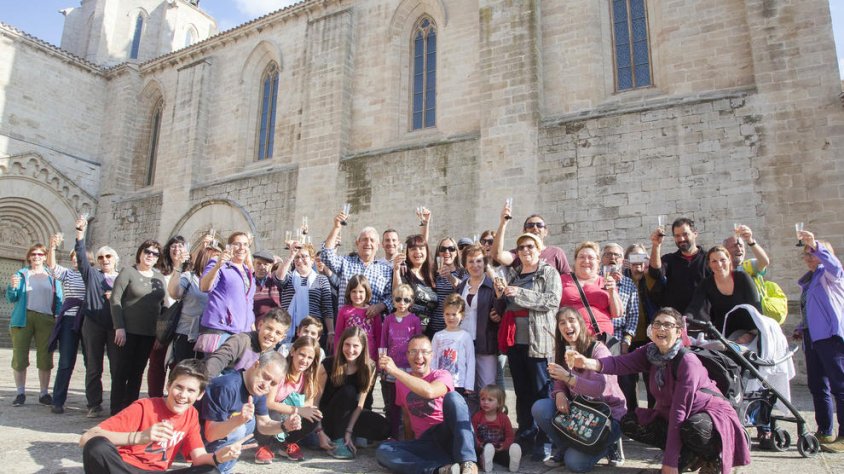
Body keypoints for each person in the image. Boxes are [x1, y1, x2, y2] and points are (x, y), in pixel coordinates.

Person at [568, 307, 750, 473]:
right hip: (673, 415)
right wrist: (587, 363)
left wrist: (669, 463)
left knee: (694, 427)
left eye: (668, 325)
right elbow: (619, 363)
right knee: (630, 422)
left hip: (707, 416)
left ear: (679, 332)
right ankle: (688, 456)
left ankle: (712, 457)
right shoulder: (650, 352)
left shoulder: (688, 362)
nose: (661, 328)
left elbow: (680, 412)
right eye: (657, 323)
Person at [80, 359, 235, 474]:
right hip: (124, 469)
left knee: (210, 471)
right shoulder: (144, 407)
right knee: (97, 446)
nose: (183, 395)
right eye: (179, 387)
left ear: (200, 395)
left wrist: (217, 457)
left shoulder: (191, 414)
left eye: (191, 391)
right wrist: (139, 437)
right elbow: (87, 438)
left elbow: (199, 457)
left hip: (156, 471)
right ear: (168, 386)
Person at [532, 307, 626, 471]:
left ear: (581, 324)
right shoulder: (565, 350)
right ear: (559, 329)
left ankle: (608, 445)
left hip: (606, 415)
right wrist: (559, 393)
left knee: (574, 464)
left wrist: (569, 378)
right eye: (562, 323)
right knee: (540, 408)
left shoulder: (598, 350)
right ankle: (567, 447)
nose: (567, 325)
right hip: (580, 412)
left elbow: (599, 388)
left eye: (571, 320)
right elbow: (560, 381)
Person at [493, 232, 561, 455]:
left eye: (530, 246)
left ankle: (546, 440)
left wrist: (520, 293)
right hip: (515, 342)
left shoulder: (548, 272)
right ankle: (525, 435)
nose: (525, 250)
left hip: (539, 341)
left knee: (542, 392)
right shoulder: (513, 274)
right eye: (521, 247)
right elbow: (507, 306)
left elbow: (552, 300)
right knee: (522, 392)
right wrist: (501, 295)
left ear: (539, 249)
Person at [375, 334, 479, 473]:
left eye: (424, 352)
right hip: (426, 443)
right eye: (413, 351)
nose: (419, 356)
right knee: (384, 449)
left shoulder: (443, 375)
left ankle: (468, 463)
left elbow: (430, 392)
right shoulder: (401, 382)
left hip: (449, 436)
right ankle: (440, 470)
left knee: (454, 397)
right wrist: (408, 446)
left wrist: (395, 371)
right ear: (407, 355)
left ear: (432, 355)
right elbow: (407, 419)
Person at [201, 350, 301, 473]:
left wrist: (285, 426)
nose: (266, 385)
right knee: (241, 427)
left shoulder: (257, 390)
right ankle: (215, 469)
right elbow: (210, 434)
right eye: (266, 377)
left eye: (273, 383)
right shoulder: (227, 387)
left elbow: (264, 424)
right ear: (256, 365)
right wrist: (238, 421)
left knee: (249, 422)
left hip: (216, 435)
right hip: (197, 441)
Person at [794, 230, 844, 452]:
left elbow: (836, 268)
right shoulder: (811, 280)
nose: (808, 257)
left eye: (812, 253)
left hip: (830, 338)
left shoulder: (829, 274)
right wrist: (800, 327)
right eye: (806, 253)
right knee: (817, 386)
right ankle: (824, 430)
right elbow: (812, 311)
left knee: (840, 386)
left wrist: (815, 244)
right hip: (812, 338)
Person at [314, 327, 390, 459]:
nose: (350, 350)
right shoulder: (328, 364)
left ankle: (345, 435)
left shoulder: (369, 366)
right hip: (328, 415)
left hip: (350, 414)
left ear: (363, 347)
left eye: (355, 346)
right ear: (341, 344)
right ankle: (337, 440)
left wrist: (348, 431)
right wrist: (319, 431)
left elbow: (360, 405)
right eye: (347, 344)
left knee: (384, 428)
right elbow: (315, 401)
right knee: (348, 391)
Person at [109, 240, 166, 415]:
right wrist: (119, 327)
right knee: (121, 372)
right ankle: (115, 411)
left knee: (137, 372)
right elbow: (115, 299)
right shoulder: (128, 272)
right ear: (140, 252)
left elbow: (163, 307)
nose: (150, 256)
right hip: (127, 332)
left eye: (155, 254)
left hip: (148, 334)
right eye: (147, 251)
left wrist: (160, 335)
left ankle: (129, 411)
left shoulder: (159, 278)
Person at [73, 217, 120, 418]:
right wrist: (80, 234)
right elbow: (82, 259)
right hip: (93, 323)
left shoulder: (123, 277)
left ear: (115, 259)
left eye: (108, 256)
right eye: (101, 257)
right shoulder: (92, 275)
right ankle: (94, 404)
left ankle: (118, 404)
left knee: (117, 366)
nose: (104, 260)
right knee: (93, 366)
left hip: (116, 326)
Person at [7, 242, 63, 407]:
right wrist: (13, 287)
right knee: (19, 357)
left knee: (45, 356)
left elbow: (59, 299)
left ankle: (44, 393)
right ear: (29, 257)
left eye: (40, 254)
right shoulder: (21, 274)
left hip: (46, 319)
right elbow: (12, 298)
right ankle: (20, 393)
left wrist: (58, 317)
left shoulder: (52, 275)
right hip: (23, 318)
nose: (36, 257)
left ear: (45, 257)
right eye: (33, 254)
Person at [255, 336, 322, 463]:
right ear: (292, 351)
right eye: (302, 355)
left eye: (310, 358)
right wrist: (298, 410)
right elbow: (269, 403)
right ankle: (264, 445)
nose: (304, 360)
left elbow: (308, 404)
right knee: (272, 413)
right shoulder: (281, 371)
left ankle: (287, 443)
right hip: (268, 413)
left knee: (314, 416)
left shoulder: (308, 376)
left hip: (287, 414)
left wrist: (298, 414)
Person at [320, 211, 393, 319]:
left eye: (372, 240)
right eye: (364, 239)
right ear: (357, 243)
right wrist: (336, 227)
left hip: (372, 323)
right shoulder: (345, 262)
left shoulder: (386, 270)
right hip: (346, 322)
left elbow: (392, 297)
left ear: (378, 246)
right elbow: (326, 255)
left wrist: (381, 306)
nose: (368, 243)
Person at [46, 232, 88, 414]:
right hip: (69, 319)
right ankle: (57, 400)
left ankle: (93, 402)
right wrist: (52, 247)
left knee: (91, 362)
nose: (75, 260)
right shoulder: (67, 274)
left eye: (79, 257)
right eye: (73, 258)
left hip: (87, 319)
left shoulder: (91, 275)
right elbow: (52, 266)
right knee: (66, 361)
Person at [197, 232, 256, 353]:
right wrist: (218, 266)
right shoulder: (218, 263)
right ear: (229, 247)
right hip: (220, 330)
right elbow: (204, 287)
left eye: (245, 244)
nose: (241, 248)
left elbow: (249, 304)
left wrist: (253, 333)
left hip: (242, 333)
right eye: (237, 244)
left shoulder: (247, 271)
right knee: (215, 365)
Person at [618, 244, 660, 413]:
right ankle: (631, 417)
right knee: (627, 383)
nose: (638, 263)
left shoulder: (650, 278)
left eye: (641, 258)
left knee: (652, 381)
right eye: (633, 259)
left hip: (650, 338)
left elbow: (662, 286)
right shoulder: (621, 279)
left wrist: (650, 267)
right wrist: (623, 270)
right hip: (627, 339)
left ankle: (652, 416)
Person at [685, 245, 761, 332]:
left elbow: (756, 307)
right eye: (714, 261)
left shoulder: (742, 277)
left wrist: (752, 332)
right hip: (723, 332)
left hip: (750, 330)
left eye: (722, 260)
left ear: (729, 260)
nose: (719, 264)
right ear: (709, 264)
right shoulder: (706, 283)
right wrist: (684, 320)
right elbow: (695, 306)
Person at [380, 284, 423, 438]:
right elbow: (383, 342)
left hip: (409, 368)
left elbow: (418, 344)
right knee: (392, 403)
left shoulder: (414, 320)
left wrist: (418, 366)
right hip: (392, 367)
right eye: (398, 299)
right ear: (393, 300)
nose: (402, 303)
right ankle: (393, 435)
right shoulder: (388, 320)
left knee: (409, 403)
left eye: (406, 300)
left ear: (411, 302)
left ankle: (410, 435)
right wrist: (382, 364)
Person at [148, 235, 188, 399]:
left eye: (180, 246)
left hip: (182, 322)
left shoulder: (189, 271)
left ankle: (173, 398)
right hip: (164, 320)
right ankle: (155, 399)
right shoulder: (159, 272)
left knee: (177, 364)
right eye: (173, 246)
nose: (177, 249)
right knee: (157, 363)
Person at [455, 244, 500, 391]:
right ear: (465, 264)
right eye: (471, 261)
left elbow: (501, 309)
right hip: (463, 342)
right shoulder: (461, 287)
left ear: (484, 262)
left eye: (479, 261)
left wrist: (498, 314)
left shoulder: (492, 286)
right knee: (464, 386)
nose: (475, 265)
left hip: (485, 343)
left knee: (487, 387)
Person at [203, 308, 291, 378]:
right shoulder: (241, 341)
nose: (271, 335)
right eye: (269, 328)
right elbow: (216, 362)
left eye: (278, 333)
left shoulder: (271, 356)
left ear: (282, 338)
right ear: (260, 325)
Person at [560, 242, 623, 338]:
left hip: (602, 337)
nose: (586, 261)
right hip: (572, 337)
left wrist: (612, 291)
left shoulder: (605, 281)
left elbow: (617, 314)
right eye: (581, 257)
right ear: (575, 261)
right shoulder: (562, 280)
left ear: (598, 262)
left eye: (591, 258)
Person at [490, 202, 571, 276]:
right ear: (524, 231)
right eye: (530, 225)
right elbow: (497, 255)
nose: (535, 228)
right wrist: (503, 223)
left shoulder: (556, 252)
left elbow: (568, 279)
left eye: (539, 225)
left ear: (546, 232)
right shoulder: (518, 253)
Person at [168, 245, 217, 365]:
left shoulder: (219, 281)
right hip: (187, 334)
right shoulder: (189, 277)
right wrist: (178, 267)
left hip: (209, 335)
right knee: (185, 370)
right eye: (216, 260)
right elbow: (174, 293)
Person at [277, 242, 334, 347]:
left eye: (304, 256)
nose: (300, 260)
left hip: (312, 331)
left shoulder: (321, 279)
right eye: (297, 257)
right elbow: (279, 278)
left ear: (312, 260)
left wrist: (331, 332)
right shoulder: (288, 277)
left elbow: (327, 308)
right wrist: (291, 255)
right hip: (289, 329)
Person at [648, 217, 709, 313]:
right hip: (677, 317)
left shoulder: (709, 259)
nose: (681, 239)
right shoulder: (669, 259)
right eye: (677, 236)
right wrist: (656, 245)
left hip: (703, 317)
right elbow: (655, 273)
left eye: (685, 234)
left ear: (695, 234)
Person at [431, 294, 475, 395]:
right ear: (443, 314)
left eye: (454, 314)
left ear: (462, 315)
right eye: (447, 314)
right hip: (440, 382)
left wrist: (469, 385)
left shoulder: (466, 336)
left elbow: (471, 361)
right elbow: (432, 359)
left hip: (458, 383)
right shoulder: (438, 336)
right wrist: (432, 378)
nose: (450, 317)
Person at [393, 234, 438, 330]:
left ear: (426, 251)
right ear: (407, 253)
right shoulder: (403, 272)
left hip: (429, 330)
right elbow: (397, 294)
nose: (418, 252)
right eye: (413, 249)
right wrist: (396, 270)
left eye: (421, 248)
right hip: (407, 329)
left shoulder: (433, 274)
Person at [601, 243, 640, 354]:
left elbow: (633, 315)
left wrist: (626, 341)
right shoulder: (594, 280)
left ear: (622, 261)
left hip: (617, 338)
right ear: (602, 259)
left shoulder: (629, 284)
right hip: (596, 335)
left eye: (616, 255)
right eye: (608, 254)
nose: (612, 257)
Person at [472, 384, 520, 473]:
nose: (485, 402)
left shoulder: (503, 418)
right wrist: (479, 444)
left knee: (505, 456)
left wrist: (505, 445)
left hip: (499, 448)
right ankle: (485, 462)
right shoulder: (477, 416)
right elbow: (473, 434)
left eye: (490, 400)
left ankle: (512, 463)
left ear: (499, 403)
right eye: (483, 399)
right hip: (483, 448)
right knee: (476, 456)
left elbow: (510, 436)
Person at [333, 275, 382, 362]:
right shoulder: (344, 311)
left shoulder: (373, 312)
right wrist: (337, 357)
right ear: (349, 292)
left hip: (369, 358)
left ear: (367, 292)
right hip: (349, 356)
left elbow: (379, 337)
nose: (357, 295)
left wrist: (379, 360)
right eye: (354, 291)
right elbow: (338, 335)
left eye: (361, 291)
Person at [430, 236, 468, 338]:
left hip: (456, 328)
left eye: (451, 249)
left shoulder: (463, 272)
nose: (447, 252)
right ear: (438, 253)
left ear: (456, 252)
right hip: (435, 328)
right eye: (443, 249)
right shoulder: (432, 273)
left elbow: (465, 290)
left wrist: (449, 277)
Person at [251, 249, 284, 322]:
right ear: (253, 264)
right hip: (252, 325)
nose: (262, 267)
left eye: (266, 264)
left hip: (274, 324)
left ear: (271, 266)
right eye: (258, 263)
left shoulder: (276, 282)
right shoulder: (247, 282)